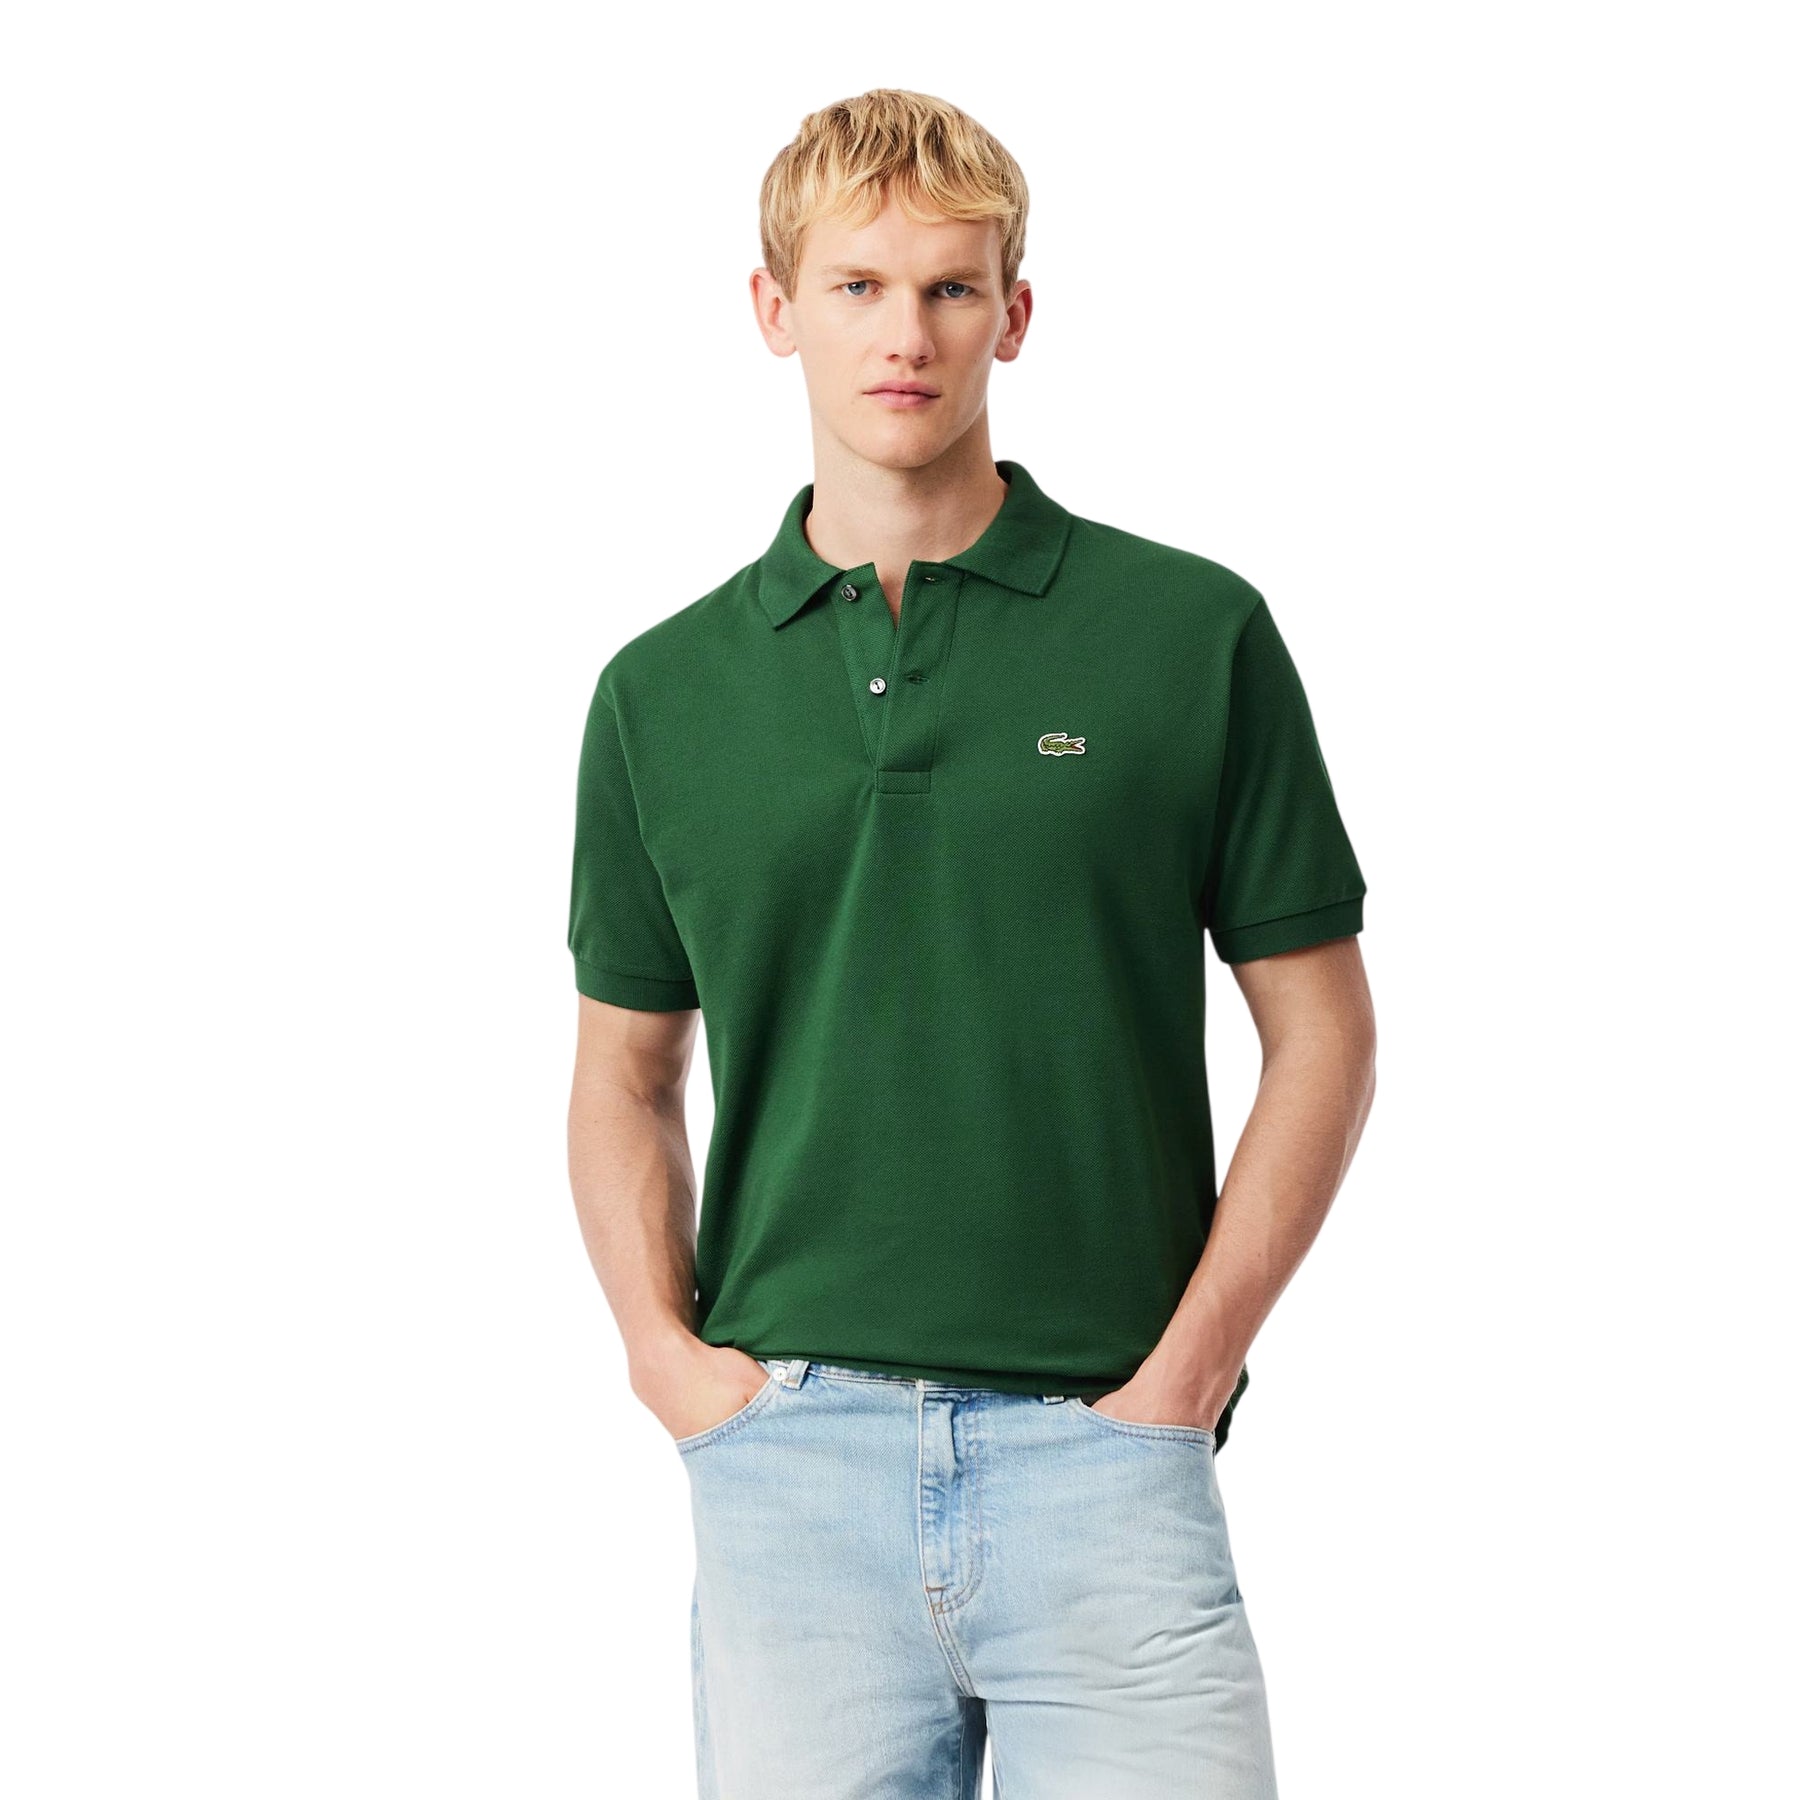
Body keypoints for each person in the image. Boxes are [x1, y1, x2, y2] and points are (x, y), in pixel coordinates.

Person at [565, 87, 1376, 1800]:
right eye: (856, 286)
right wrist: (667, 1363)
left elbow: (1323, 1032)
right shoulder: (660, 693)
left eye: (949, 287)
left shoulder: (1190, 633)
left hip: (1111, 1456)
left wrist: (1190, 1373)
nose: (906, 335)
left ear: (1014, 312)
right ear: (773, 308)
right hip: (790, 1469)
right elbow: (625, 1073)